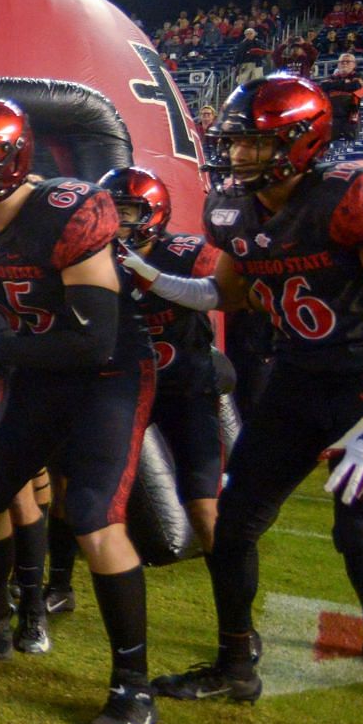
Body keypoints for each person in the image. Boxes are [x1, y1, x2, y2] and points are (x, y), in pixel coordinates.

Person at [151, 76, 363, 724]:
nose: (240, 153)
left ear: (301, 141)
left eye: (256, 140)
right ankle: (234, 663)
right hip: (295, 384)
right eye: (236, 139)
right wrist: (153, 278)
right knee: (234, 523)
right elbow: (226, 290)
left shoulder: (351, 197)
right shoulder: (237, 210)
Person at [0, 98, 159, 724]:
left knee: (91, 515)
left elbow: (94, 340)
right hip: (37, 371)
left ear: (8, 159)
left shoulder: (68, 209)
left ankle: (132, 687)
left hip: (107, 375)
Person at [108, 167, 226, 553]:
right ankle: (60, 582)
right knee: (88, 493)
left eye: (125, 212)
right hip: (122, 390)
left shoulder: (184, 253)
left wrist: (154, 278)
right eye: (110, 210)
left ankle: (230, 599)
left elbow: (218, 293)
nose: (115, 221)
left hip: (184, 388)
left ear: (151, 214)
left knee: (204, 506)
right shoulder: (91, 258)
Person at [321, 51, 363, 143]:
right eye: (342, 62)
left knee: (352, 143)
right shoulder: (331, 77)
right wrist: (344, 84)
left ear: (354, 65)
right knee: (329, 143)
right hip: (333, 117)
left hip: (350, 117)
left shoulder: (358, 76)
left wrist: (335, 86)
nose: (344, 63)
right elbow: (324, 86)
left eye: (348, 61)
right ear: (338, 64)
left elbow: (356, 85)